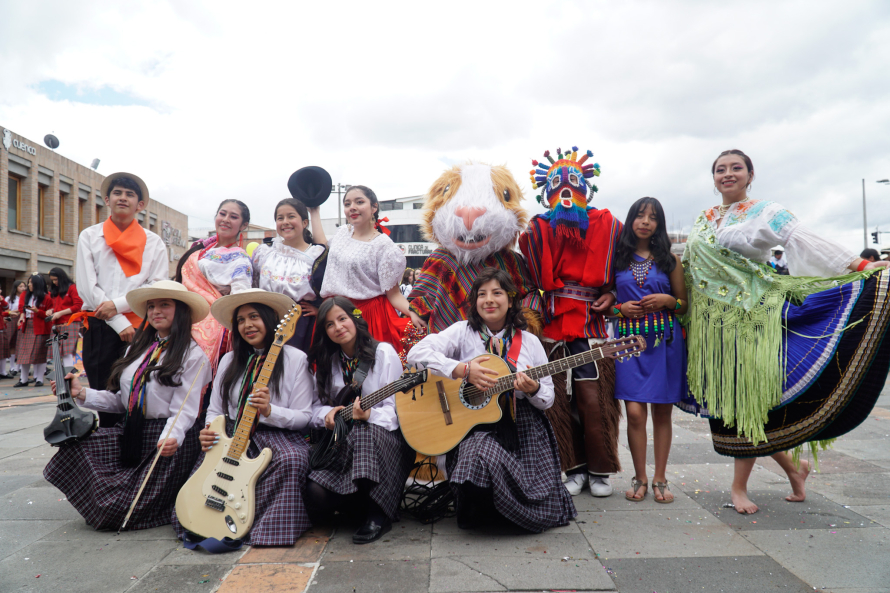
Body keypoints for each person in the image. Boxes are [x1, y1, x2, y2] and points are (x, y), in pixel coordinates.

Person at [679, 149, 890, 515]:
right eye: (720, 170)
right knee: (734, 406)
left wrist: (860, 264)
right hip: (712, 326)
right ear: (713, 178)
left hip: (752, 318)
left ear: (750, 174)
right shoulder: (704, 219)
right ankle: (796, 470)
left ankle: (739, 487)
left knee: (745, 401)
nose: (727, 174)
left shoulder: (767, 212)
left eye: (735, 168)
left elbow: (804, 240)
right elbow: (688, 265)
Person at [408, 268, 576, 532]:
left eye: (497, 293)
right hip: (475, 426)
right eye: (482, 294)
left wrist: (532, 390)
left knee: (488, 453)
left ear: (510, 300)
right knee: (478, 449)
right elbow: (417, 353)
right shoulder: (462, 332)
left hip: (523, 428)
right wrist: (462, 370)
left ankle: (511, 513)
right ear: (474, 302)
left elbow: (547, 401)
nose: (489, 300)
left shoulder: (530, 342)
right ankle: (483, 511)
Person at [43, 281, 212, 531]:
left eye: (165, 305)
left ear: (182, 310)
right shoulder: (138, 348)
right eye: (151, 306)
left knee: (118, 510)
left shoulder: (193, 355)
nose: (156, 311)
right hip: (133, 431)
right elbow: (124, 401)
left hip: (168, 441)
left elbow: (184, 410)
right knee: (75, 448)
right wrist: (81, 393)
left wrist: (170, 438)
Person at [172, 289, 316, 546]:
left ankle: (263, 526)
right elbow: (215, 410)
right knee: (209, 466)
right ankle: (204, 520)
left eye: (254, 317)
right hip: (233, 434)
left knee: (292, 460)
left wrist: (271, 411)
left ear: (271, 321)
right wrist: (209, 430)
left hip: (278, 434)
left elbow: (305, 416)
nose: (247, 325)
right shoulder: (229, 360)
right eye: (240, 320)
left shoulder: (296, 359)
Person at [519, 147, 623, 498]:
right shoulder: (537, 229)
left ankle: (600, 470)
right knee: (557, 403)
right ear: (546, 192)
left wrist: (612, 294)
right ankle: (573, 468)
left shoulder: (607, 224)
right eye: (556, 184)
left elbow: (622, 273)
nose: (565, 190)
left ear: (586, 187)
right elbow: (530, 278)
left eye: (574, 182)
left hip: (591, 325)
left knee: (594, 399)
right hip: (551, 324)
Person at [306, 296, 414, 544]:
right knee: (315, 495)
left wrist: (370, 415)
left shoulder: (383, 352)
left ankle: (378, 516)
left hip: (385, 442)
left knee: (365, 431)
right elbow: (312, 409)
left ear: (355, 318)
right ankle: (359, 506)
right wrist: (327, 414)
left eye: (342, 318)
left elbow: (398, 411)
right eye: (330, 324)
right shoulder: (328, 362)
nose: (338, 327)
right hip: (343, 445)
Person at [75, 173, 169, 426]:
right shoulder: (90, 236)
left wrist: (117, 305)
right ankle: (107, 447)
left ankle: (135, 448)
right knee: (101, 388)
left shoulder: (154, 242)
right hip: (100, 324)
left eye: (130, 194)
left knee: (138, 390)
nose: (123, 198)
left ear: (140, 204)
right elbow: (86, 286)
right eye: (118, 193)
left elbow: (156, 286)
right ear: (107, 199)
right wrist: (117, 320)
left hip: (140, 327)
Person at [611, 198, 688, 503]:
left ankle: (659, 479)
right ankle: (639, 476)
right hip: (628, 344)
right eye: (640, 216)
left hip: (665, 343)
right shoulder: (616, 259)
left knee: (662, 412)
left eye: (652, 217)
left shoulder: (670, 260)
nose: (645, 221)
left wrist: (668, 302)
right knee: (633, 412)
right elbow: (604, 306)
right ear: (631, 221)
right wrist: (620, 309)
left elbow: (683, 306)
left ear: (659, 224)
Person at [316, 186, 410, 354]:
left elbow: (394, 294)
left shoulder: (384, 246)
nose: (352, 207)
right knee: (332, 367)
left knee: (367, 369)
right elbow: (322, 245)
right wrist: (313, 210)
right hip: (332, 311)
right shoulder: (342, 233)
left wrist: (415, 313)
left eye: (359, 202)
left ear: (374, 207)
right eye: (347, 203)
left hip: (364, 315)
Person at [175, 199, 253, 377]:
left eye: (233, 217)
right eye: (222, 214)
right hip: (183, 318)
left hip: (211, 328)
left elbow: (240, 299)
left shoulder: (240, 258)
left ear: (244, 225)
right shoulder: (201, 250)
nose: (226, 219)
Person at [251, 198, 326, 352]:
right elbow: (253, 287)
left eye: (291, 216)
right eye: (280, 218)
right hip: (267, 321)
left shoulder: (317, 255)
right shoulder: (265, 252)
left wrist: (320, 310)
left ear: (305, 222)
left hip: (302, 326)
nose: (285, 222)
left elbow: (329, 291)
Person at [13, 274, 53, 387]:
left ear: (37, 284)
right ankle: (23, 379)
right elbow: (21, 307)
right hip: (27, 326)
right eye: (29, 282)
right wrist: (21, 316)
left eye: (31, 283)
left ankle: (39, 379)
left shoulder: (47, 297)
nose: (28, 285)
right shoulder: (25, 295)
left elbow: (47, 315)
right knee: (23, 354)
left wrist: (37, 311)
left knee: (40, 354)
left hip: (41, 327)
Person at [46, 267, 84, 370]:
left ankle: (69, 377)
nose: (54, 282)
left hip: (70, 323)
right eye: (52, 280)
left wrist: (60, 313)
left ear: (61, 277)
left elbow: (78, 306)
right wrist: (51, 311)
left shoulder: (72, 287)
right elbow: (55, 306)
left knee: (67, 352)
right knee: (57, 352)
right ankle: (60, 378)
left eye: (56, 279)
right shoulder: (55, 290)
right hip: (57, 323)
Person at [5, 280, 26, 377]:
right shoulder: (10, 298)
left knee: (21, 343)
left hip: (22, 319)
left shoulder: (26, 297)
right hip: (12, 320)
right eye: (20, 286)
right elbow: (7, 310)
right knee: (11, 343)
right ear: (16, 287)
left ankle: (20, 366)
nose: (23, 288)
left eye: (24, 286)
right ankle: (12, 366)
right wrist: (19, 310)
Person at [0, 286, 10, 378]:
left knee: (2, 350)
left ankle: (3, 372)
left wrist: (1, 300)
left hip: (1, 327)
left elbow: (6, 307)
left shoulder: (1, 298)